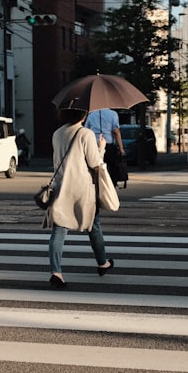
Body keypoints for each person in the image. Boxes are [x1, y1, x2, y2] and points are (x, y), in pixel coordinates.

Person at [47, 107, 114, 288]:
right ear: (83, 115)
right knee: (93, 225)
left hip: (61, 187)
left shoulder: (57, 133)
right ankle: (102, 263)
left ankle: (56, 272)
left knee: (59, 231)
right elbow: (94, 163)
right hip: (83, 189)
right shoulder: (86, 134)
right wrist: (101, 148)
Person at [84, 108, 128, 189]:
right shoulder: (113, 114)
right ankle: (111, 186)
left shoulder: (91, 115)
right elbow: (116, 131)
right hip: (108, 144)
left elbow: (86, 130)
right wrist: (121, 148)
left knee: (94, 166)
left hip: (94, 144)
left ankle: (96, 185)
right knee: (112, 166)